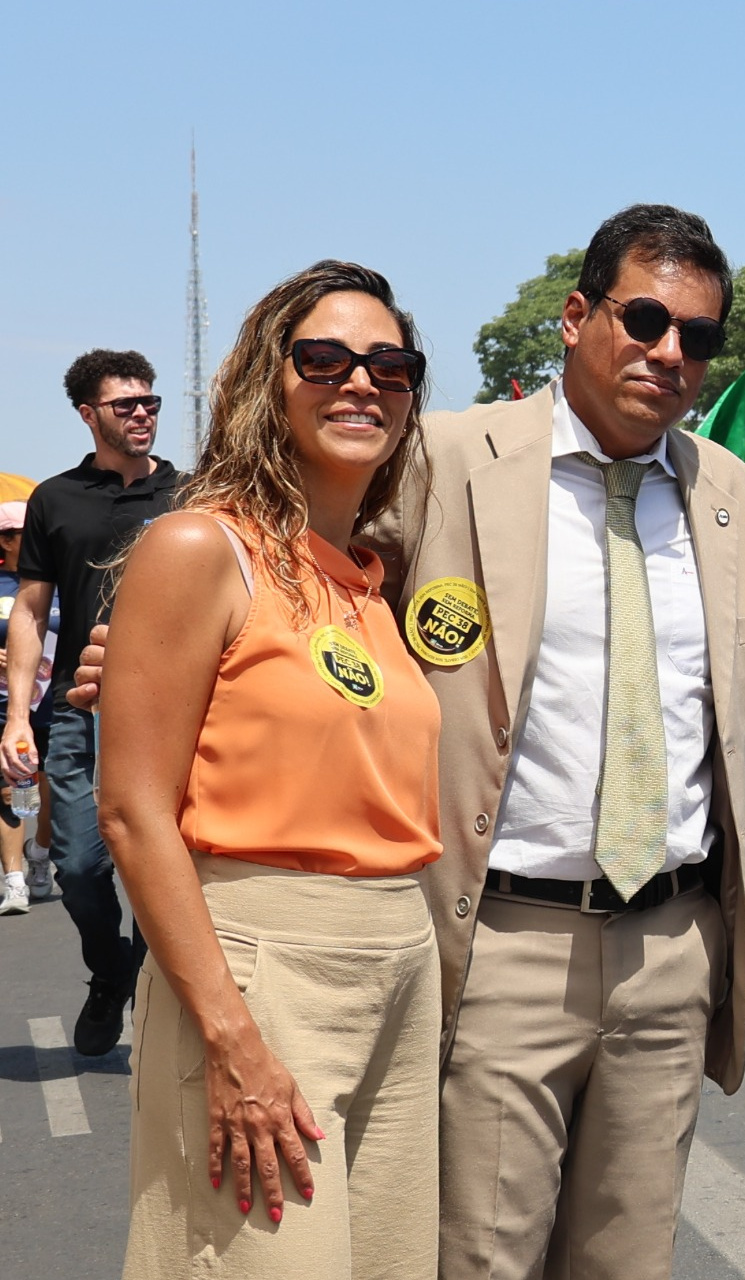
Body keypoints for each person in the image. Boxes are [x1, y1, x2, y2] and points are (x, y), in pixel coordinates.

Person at [75, 208, 745, 1280]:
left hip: (659, 948)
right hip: (491, 941)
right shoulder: (440, 457)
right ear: (576, 316)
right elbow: (148, 774)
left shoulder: (734, 494)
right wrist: (140, 667)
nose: (669, 351)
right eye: (642, 319)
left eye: (698, 335)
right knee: (462, 1257)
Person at [99, 260, 443, 1278]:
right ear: (265, 379)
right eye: (324, 358)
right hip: (261, 972)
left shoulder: (372, 583)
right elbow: (132, 812)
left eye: (390, 365)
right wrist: (231, 1036)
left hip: (400, 967)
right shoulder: (199, 547)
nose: (361, 381)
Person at [5, 348, 180, 1054]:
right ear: (88, 414)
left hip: (179, 711)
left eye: (150, 402)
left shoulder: (191, 494)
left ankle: (163, 990)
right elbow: (29, 609)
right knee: (78, 868)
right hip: (82, 710)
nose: (142, 414)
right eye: (125, 404)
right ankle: (112, 973)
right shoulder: (54, 499)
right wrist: (17, 716)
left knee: (174, 867)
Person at [0, 501, 29, 916]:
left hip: (51, 705)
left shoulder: (55, 580)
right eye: (27, 533)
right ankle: (15, 879)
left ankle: (40, 851)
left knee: (49, 790)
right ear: (6, 541)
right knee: (10, 789)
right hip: (5, 706)